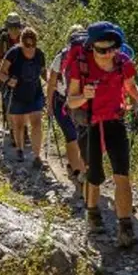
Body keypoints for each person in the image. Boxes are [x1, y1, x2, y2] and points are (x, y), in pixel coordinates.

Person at [64, 21, 138, 248]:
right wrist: (84, 96)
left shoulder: (122, 63)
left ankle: (125, 227)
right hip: (90, 123)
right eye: (102, 49)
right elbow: (70, 100)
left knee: (122, 174)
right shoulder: (81, 66)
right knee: (94, 173)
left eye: (113, 48)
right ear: (92, 47)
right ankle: (92, 214)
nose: (109, 53)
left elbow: (131, 87)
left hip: (115, 121)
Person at [0, 25, 47, 168]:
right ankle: (20, 149)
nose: (30, 48)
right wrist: (8, 80)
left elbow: (43, 72)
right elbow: (1, 72)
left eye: (33, 44)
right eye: (27, 44)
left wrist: (50, 80)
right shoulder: (13, 53)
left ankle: (37, 156)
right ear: (21, 42)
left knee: (37, 123)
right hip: (17, 94)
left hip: (35, 93)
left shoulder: (39, 54)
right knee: (19, 125)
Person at [48, 24, 88, 182]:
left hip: (62, 101)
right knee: (77, 137)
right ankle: (79, 170)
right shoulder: (87, 56)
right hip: (81, 102)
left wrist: (49, 104)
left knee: (72, 137)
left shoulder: (62, 55)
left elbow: (52, 83)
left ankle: (77, 170)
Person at [0, 12, 24, 126]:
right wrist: (9, 63)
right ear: (7, 27)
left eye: (16, 27)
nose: (14, 30)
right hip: (3, 74)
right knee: (7, 98)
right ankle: (9, 124)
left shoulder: (24, 39)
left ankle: (21, 128)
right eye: (11, 27)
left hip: (20, 74)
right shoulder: (3, 40)